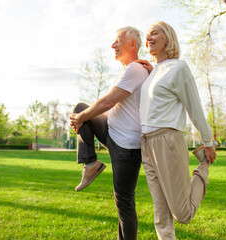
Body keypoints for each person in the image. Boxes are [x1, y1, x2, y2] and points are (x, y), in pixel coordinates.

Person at [136, 21, 217, 240]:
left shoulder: (179, 68)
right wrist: (153, 71)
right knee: (161, 213)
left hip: (167, 140)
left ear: (168, 39)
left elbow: (195, 107)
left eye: (154, 33)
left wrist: (208, 142)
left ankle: (202, 168)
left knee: (182, 214)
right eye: (147, 34)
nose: (149, 37)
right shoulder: (153, 73)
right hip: (146, 143)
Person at [69, 26, 149, 240]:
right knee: (80, 109)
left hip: (127, 147)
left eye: (117, 41)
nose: (112, 45)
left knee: (124, 203)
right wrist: (82, 117)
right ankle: (90, 163)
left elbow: (107, 102)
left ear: (132, 44)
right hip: (113, 133)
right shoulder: (131, 70)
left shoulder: (135, 70)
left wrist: (81, 119)